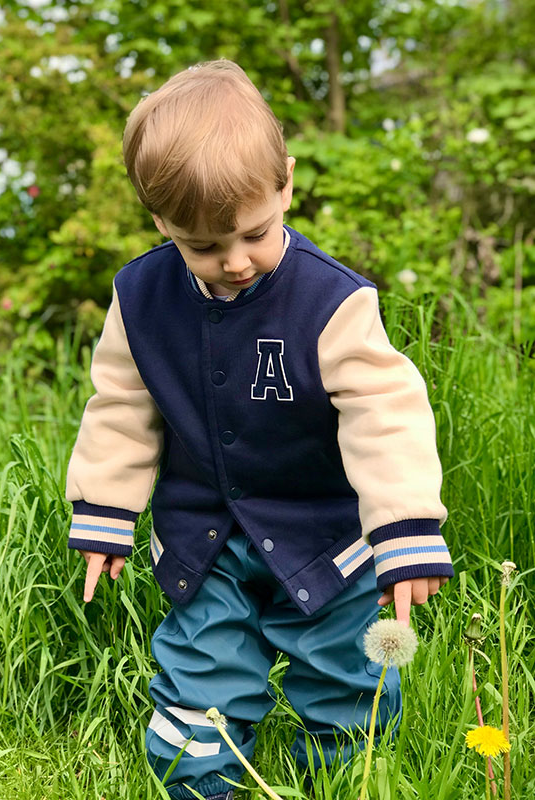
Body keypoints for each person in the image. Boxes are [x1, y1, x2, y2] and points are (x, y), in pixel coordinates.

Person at [65, 59, 453, 800]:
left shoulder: (332, 302)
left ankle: (345, 784)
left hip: (325, 537)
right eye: (204, 247)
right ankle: (204, 783)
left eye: (253, 234)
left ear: (287, 187)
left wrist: (404, 529)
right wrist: (105, 511)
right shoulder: (139, 299)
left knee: (348, 687)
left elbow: (387, 411)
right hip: (201, 539)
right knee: (198, 677)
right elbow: (120, 405)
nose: (234, 262)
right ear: (161, 222)